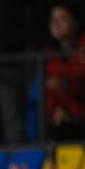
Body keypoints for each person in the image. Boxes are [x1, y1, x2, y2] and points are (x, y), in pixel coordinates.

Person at [46, 3, 85, 140]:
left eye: (63, 19)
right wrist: (56, 110)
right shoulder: (48, 54)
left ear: (76, 23)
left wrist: (67, 85)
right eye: (53, 19)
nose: (57, 24)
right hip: (63, 121)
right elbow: (49, 92)